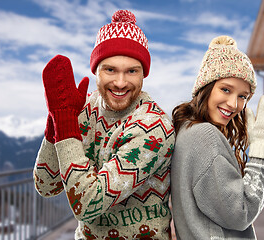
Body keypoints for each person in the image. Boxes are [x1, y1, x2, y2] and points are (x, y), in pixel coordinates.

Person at [33, 10, 175, 240]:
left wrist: (66, 125)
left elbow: (88, 204)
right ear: (96, 70)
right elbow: (46, 185)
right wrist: (56, 122)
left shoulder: (154, 126)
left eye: (131, 71)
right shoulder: (82, 107)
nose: (120, 82)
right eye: (110, 69)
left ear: (143, 74)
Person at [170, 35, 264, 239]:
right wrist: (262, 153)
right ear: (205, 87)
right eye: (225, 89)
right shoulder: (204, 136)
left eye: (243, 96)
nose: (234, 104)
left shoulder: (187, 129)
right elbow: (239, 212)